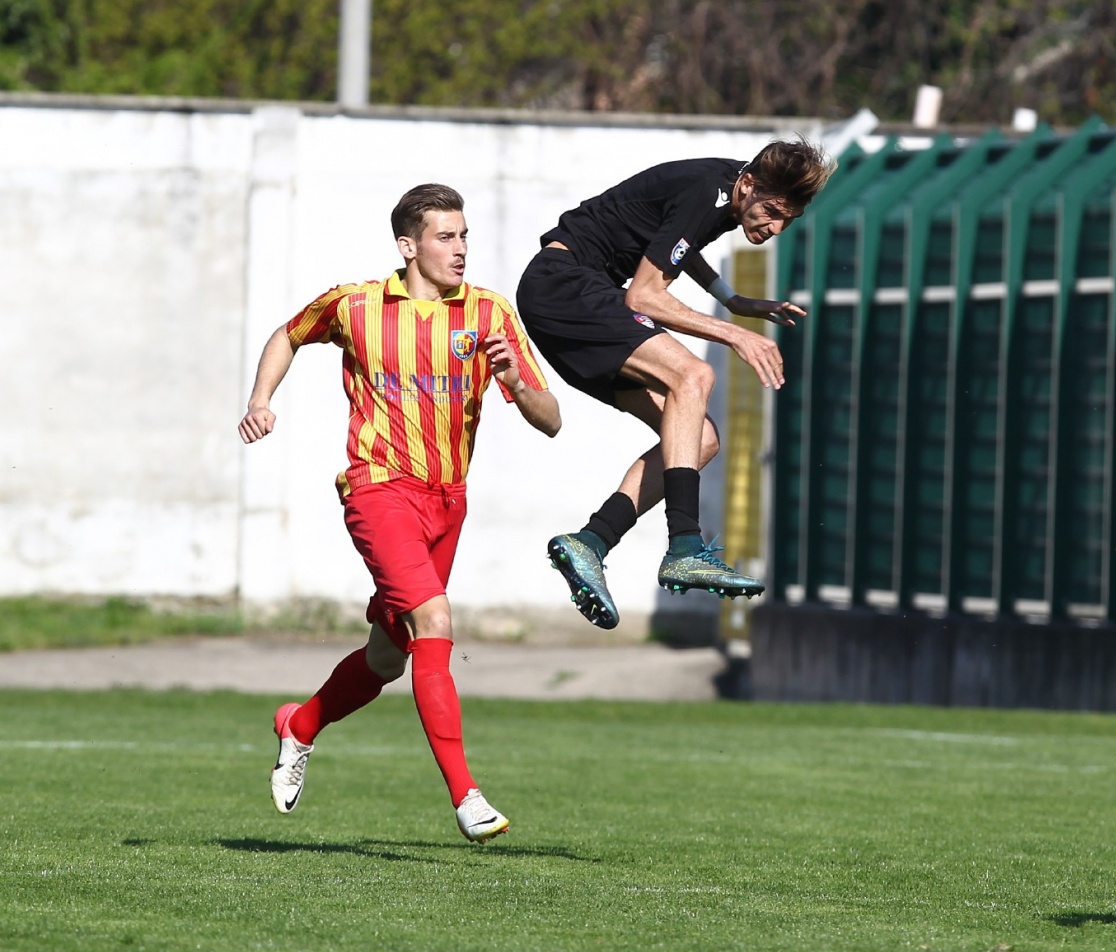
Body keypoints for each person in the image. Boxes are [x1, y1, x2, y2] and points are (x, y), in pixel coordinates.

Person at [238, 183, 560, 843]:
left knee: (388, 657)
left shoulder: (490, 314)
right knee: (435, 620)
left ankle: (298, 726)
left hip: (448, 501)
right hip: (378, 487)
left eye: (465, 235)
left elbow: (550, 420)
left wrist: (518, 380)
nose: (461, 249)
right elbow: (288, 334)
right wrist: (261, 399)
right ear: (408, 246)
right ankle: (466, 796)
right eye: (446, 237)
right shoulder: (355, 305)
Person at [517, 139, 833, 629]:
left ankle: (592, 542)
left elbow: (675, 242)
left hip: (570, 294)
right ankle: (685, 545)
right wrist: (735, 334)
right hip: (565, 286)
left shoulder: (730, 188)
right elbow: (644, 296)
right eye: (771, 212)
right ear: (748, 186)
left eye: (786, 221)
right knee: (695, 373)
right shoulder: (708, 189)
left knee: (700, 440)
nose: (774, 227)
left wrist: (731, 299)